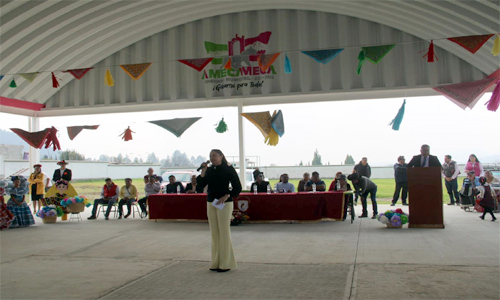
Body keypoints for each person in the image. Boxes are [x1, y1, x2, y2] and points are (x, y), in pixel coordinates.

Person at [197, 149, 242, 272]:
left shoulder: (228, 169)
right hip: (211, 202)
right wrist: (203, 171)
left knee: (224, 232)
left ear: (221, 156)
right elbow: (200, 185)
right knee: (214, 232)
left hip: (224, 203)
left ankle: (225, 263)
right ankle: (216, 262)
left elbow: (238, 187)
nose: (212, 158)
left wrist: (227, 195)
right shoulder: (210, 170)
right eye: (210, 156)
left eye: (214, 156)